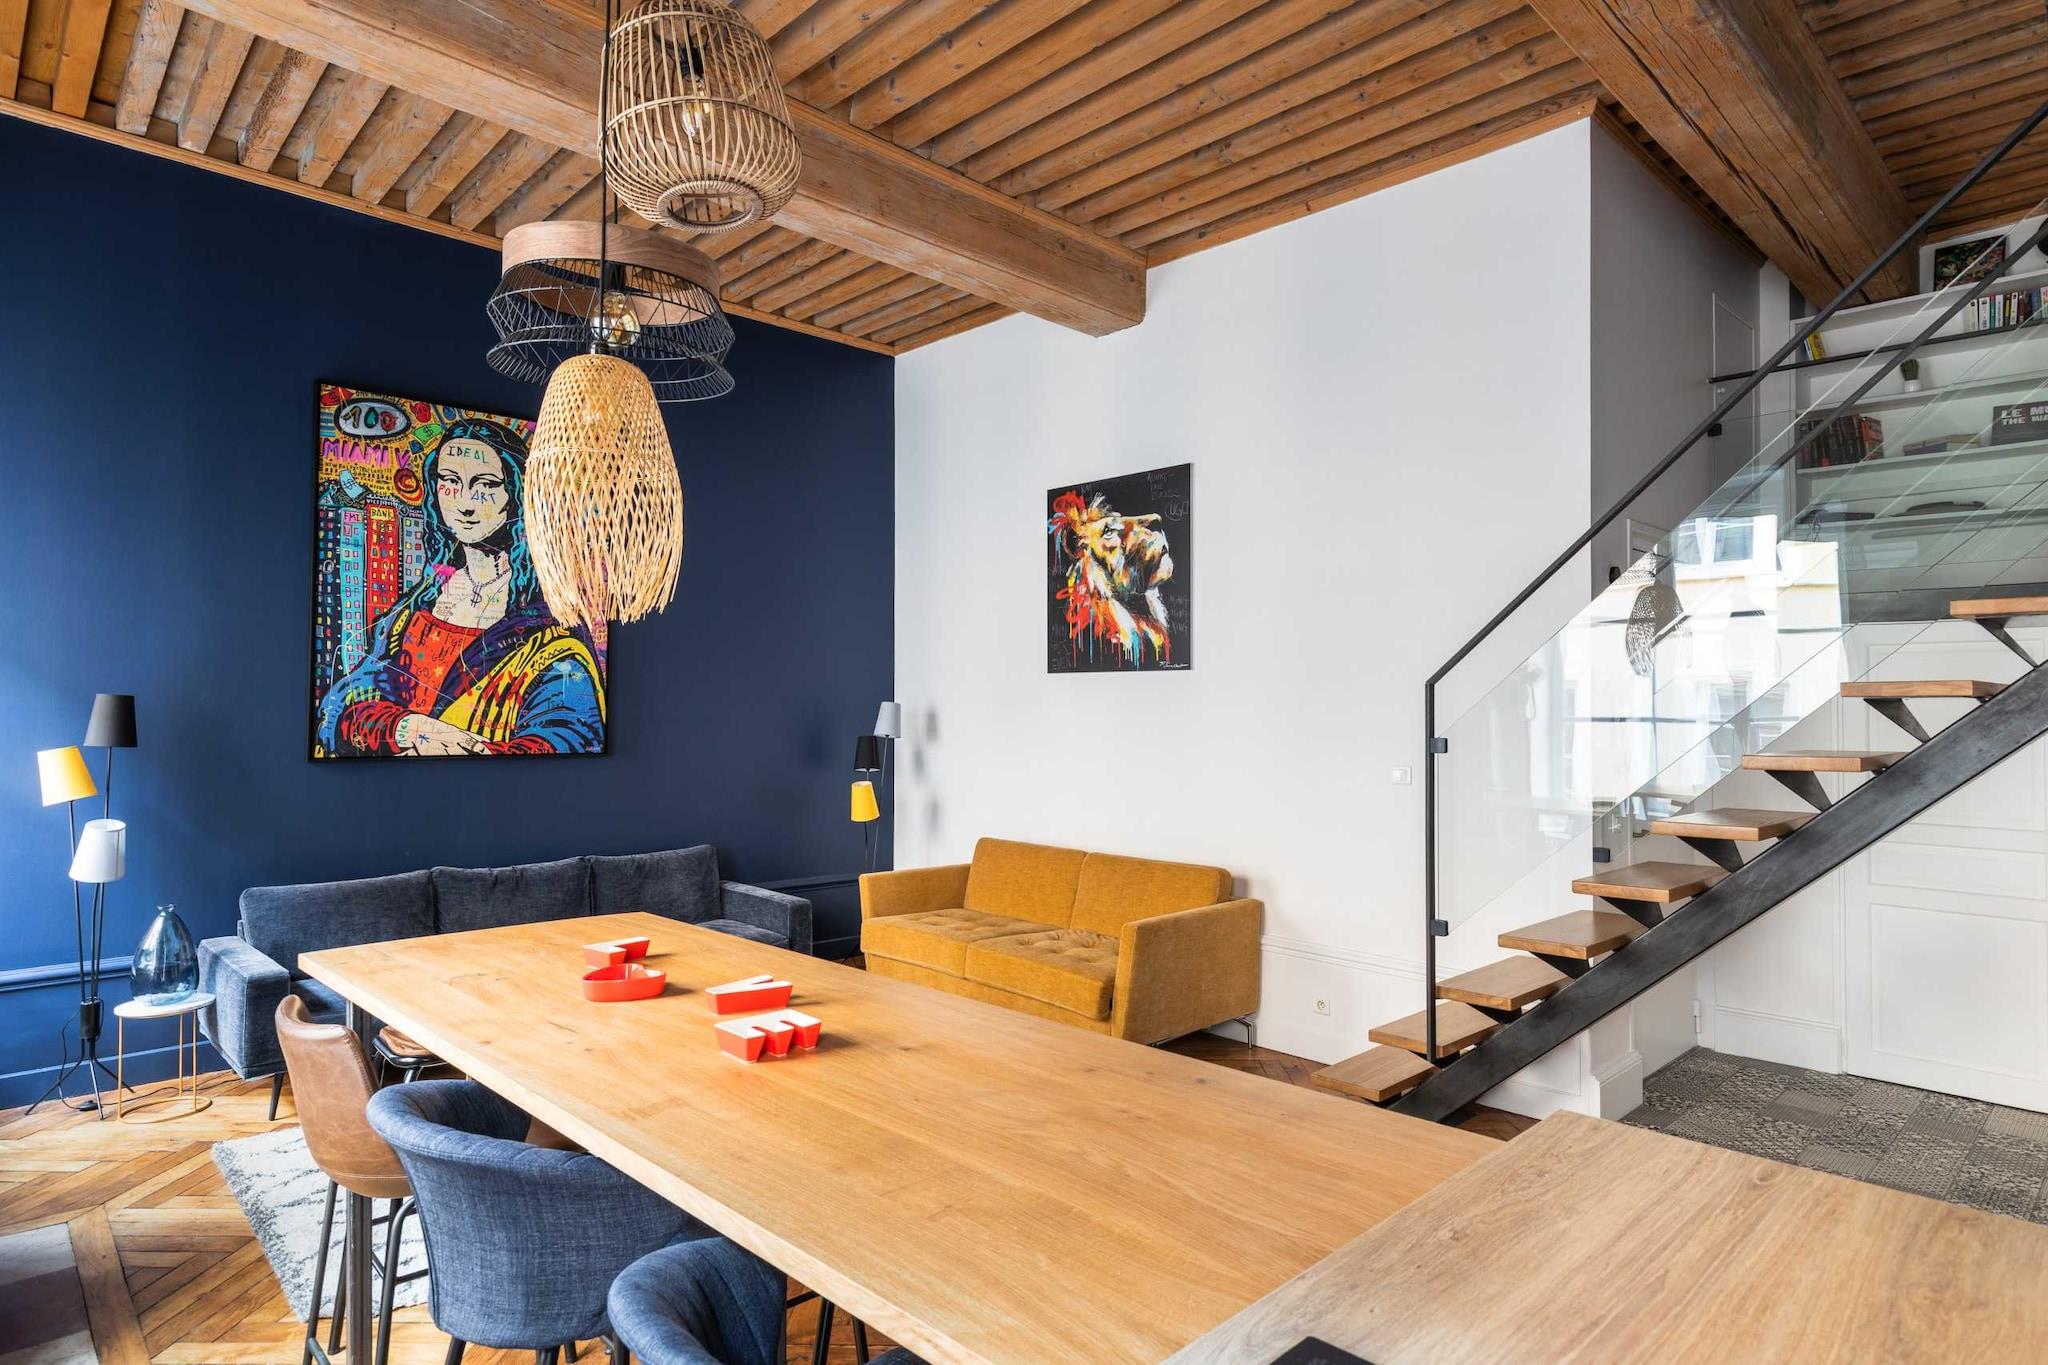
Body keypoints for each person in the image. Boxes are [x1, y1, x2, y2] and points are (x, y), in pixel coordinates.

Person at [315, 418, 605, 757]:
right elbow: (340, 706)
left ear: (516, 492)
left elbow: (569, 738)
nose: (465, 503)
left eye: (486, 484)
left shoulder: (547, 621)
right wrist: (408, 728)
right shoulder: (415, 609)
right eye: (451, 481)